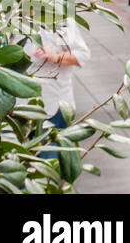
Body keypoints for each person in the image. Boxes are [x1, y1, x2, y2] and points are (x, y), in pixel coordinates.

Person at [28, 17, 91, 159]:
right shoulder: (10, 15)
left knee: (50, 166)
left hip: (53, 107)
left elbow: (82, 55)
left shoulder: (60, 19)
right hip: (18, 108)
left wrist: (55, 56)